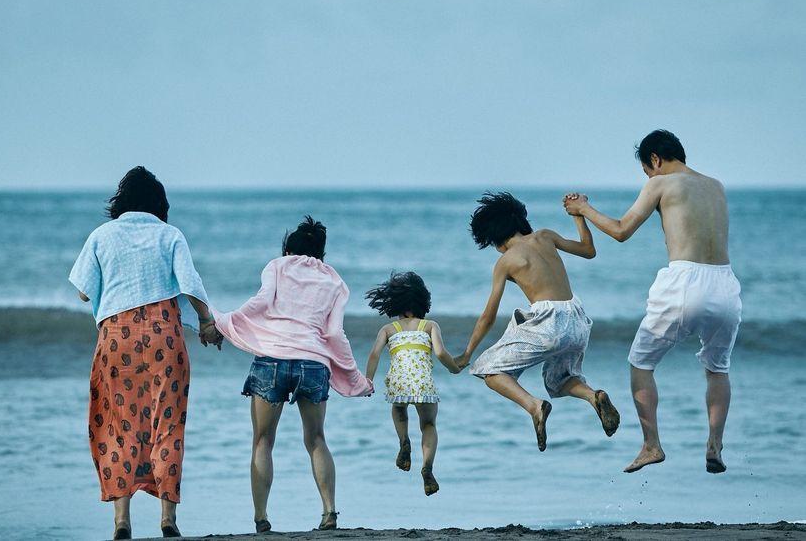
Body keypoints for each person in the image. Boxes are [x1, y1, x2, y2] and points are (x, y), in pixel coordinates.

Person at [564, 129, 742, 474]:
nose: (648, 176)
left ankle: (651, 445)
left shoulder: (660, 183)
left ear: (655, 160)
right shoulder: (716, 185)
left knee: (640, 363)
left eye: (647, 170)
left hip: (684, 282)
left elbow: (620, 230)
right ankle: (715, 444)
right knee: (717, 369)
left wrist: (583, 208)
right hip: (725, 284)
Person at [69, 166, 221, 541]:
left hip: (115, 339)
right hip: (163, 338)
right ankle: (168, 518)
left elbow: (83, 292)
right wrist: (206, 321)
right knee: (168, 424)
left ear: (121, 201)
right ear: (159, 203)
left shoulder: (102, 236)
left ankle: (122, 521)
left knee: (117, 425)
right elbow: (190, 284)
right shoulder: (170, 235)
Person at [206, 216, 373, 533]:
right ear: (321, 253)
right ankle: (329, 513)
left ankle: (261, 518)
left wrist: (224, 323)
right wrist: (356, 380)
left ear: (288, 249)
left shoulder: (277, 267)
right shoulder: (334, 282)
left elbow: (260, 303)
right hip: (313, 363)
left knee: (263, 441)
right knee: (316, 439)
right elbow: (335, 335)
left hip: (272, 360)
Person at [453, 192, 620, 451]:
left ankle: (534, 406)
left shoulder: (505, 261)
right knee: (560, 379)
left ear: (494, 236)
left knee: (488, 369)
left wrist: (466, 354)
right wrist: (578, 216)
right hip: (577, 319)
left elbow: (488, 315)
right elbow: (589, 250)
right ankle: (593, 396)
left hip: (549, 323)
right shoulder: (546, 236)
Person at [364, 271, 460, 496]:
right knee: (428, 425)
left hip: (399, 383)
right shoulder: (429, 326)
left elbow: (374, 355)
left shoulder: (388, 329)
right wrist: (454, 367)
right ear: (422, 301)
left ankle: (404, 441)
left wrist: (368, 380)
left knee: (399, 410)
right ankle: (426, 467)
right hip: (423, 384)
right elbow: (440, 352)